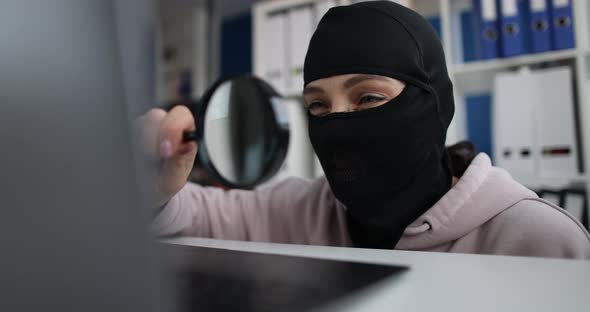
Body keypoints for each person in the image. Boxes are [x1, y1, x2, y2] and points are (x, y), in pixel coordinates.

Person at [142, 1, 590, 259]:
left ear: (434, 101)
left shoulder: (537, 238)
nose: (338, 124)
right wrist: (157, 186)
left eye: (369, 98)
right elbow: (193, 214)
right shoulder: (300, 210)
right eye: (318, 105)